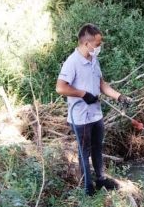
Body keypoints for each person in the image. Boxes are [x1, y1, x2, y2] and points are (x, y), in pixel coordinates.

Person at [55, 23, 133, 196]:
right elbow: (60, 88)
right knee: (84, 150)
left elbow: (101, 84)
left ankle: (101, 179)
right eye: (97, 44)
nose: (99, 47)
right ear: (86, 44)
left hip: (95, 114)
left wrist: (120, 97)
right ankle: (87, 186)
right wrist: (82, 94)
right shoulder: (72, 62)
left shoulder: (94, 60)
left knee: (98, 146)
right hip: (80, 117)